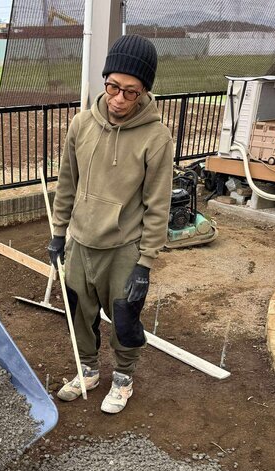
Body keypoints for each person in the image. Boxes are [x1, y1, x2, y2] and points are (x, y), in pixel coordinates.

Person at [48, 34, 173, 414]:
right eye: (113, 87)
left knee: (124, 317)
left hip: (123, 249)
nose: (119, 98)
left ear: (145, 91)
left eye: (131, 92)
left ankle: (123, 377)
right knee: (77, 312)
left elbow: (157, 205)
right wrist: (58, 234)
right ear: (105, 82)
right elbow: (67, 182)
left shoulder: (156, 137)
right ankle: (87, 370)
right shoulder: (81, 125)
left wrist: (145, 263)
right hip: (80, 243)